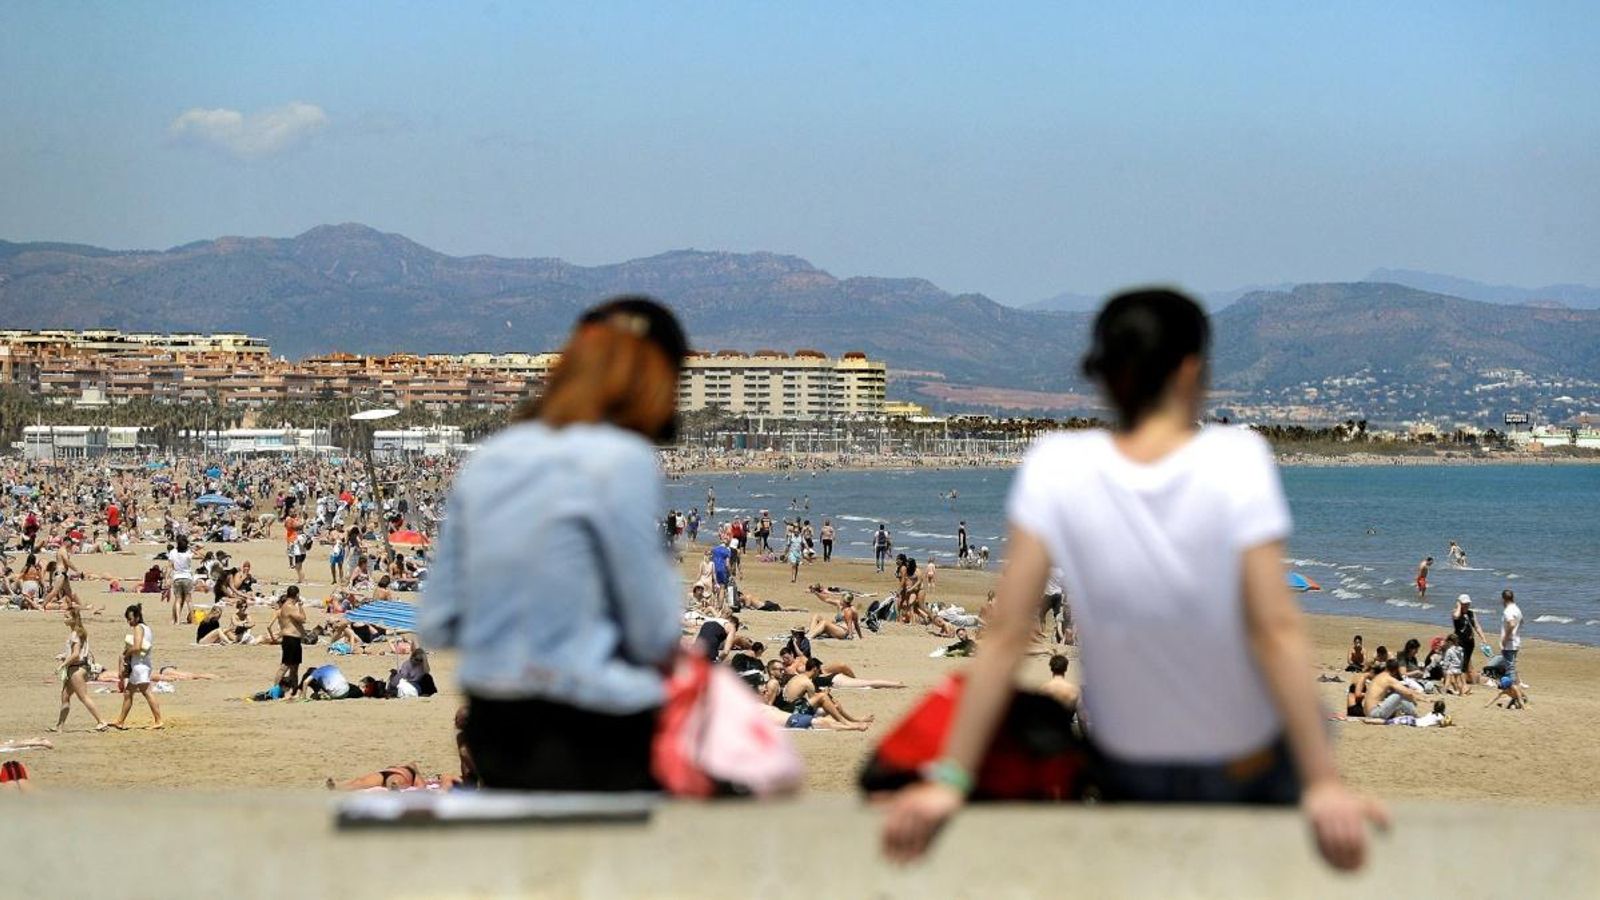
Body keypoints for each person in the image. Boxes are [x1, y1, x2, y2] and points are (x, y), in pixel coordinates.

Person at [881, 289, 1384, 871]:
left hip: (1127, 762)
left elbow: (1005, 636)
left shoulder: (1057, 464)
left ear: (1105, 374)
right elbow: (1275, 629)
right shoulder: (1237, 458)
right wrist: (1322, 784)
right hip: (1239, 759)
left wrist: (950, 778)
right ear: (1191, 368)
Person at [420, 296, 687, 793]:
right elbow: (654, 630)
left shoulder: (491, 458)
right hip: (595, 729)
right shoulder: (621, 459)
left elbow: (438, 620)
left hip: (493, 726)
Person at [50, 608, 110, 732]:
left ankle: (101, 721)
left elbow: (76, 654)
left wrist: (62, 665)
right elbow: (77, 652)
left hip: (76, 670)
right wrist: (63, 656)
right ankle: (59, 726)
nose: (64, 619)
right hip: (75, 668)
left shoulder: (75, 634)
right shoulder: (79, 632)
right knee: (65, 696)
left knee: (83, 697)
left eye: (67, 617)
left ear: (74, 619)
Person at [112, 604, 163, 729]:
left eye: (130, 619)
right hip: (141, 664)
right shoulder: (146, 628)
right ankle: (120, 721)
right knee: (128, 692)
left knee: (146, 692)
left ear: (137, 617)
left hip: (140, 665)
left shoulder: (138, 628)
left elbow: (137, 647)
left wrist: (126, 654)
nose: (129, 622)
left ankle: (159, 720)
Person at [1488, 589, 1525, 706]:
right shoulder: (1517, 609)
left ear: (1503, 599)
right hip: (1516, 642)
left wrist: (1505, 638)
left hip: (1510, 643)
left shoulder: (1508, 611)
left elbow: (1512, 623)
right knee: (1510, 669)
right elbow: (1521, 623)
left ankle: (1518, 698)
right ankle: (1516, 697)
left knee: (1510, 672)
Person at [273, 586, 307, 689]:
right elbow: (303, 619)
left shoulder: (289, 606)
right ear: (297, 595)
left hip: (295, 639)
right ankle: (274, 689)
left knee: (295, 667)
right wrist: (301, 606)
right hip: (290, 639)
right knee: (285, 666)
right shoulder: (289, 606)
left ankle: (294, 689)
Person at [1451, 594, 1488, 682]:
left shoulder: (1471, 613)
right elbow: (1456, 616)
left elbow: (1477, 626)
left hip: (1470, 642)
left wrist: (1483, 638)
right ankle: (1461, 682)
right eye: (1464, 603)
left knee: (1466, 661)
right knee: (1461, 662)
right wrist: (1459, 606)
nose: (1467, 605)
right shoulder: (1456, 612)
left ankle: (1463, 680)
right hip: (1459, 641)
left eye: (1468, 603)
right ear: (1460, 603)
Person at [168, 535, 194, 624]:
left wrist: (167, 577)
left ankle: (177, 620)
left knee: (178, 600)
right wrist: (190, 546)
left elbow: (170, 566)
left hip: (177, 577)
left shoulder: (172, 552)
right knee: (189, 600)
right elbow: (201, 553)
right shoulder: (188, 553)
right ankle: (193, 620)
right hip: (187, 577)